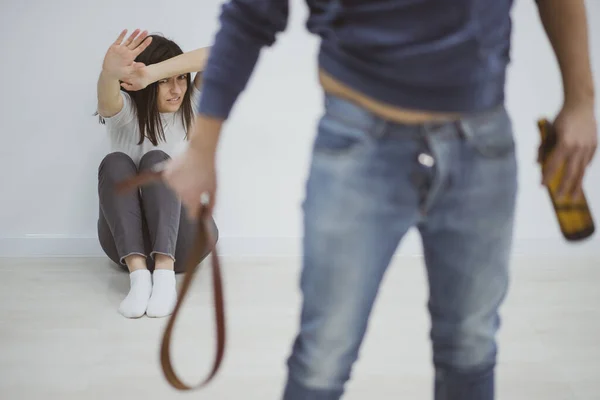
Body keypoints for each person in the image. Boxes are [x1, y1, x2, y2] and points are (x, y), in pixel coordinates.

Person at [163, 0, 596, 398]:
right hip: (358, 141)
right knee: (322, 356)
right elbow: (249, 14)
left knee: (471, 349)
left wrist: (581, 99)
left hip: (480, 145)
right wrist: (202, 147)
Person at [95, 29, 218, 319]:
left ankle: (164, 278)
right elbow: (106, 100)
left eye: (180, 78)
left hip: (187, 241)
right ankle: (139, 280)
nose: (176, 90)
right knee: (115, 162)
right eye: (164, 83)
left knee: (156, 161)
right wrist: (109, 74)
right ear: (138, 85)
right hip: (125, 246)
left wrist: (155, 72)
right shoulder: (124, 114)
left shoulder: (192, 107)